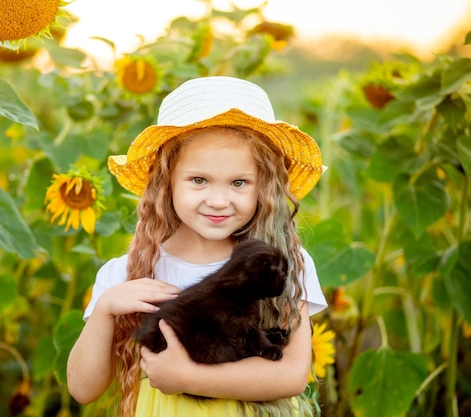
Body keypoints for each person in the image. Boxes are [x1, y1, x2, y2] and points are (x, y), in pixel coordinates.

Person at [67, 76, 328, 417]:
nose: (218, 201)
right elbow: (83, 389)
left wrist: (188, 377)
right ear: (166, 183)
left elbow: (291, 375)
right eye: (199, 180)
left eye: (239, 183)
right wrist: (104, 309)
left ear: (264, 187)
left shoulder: (281, 265)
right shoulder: (129, 272)